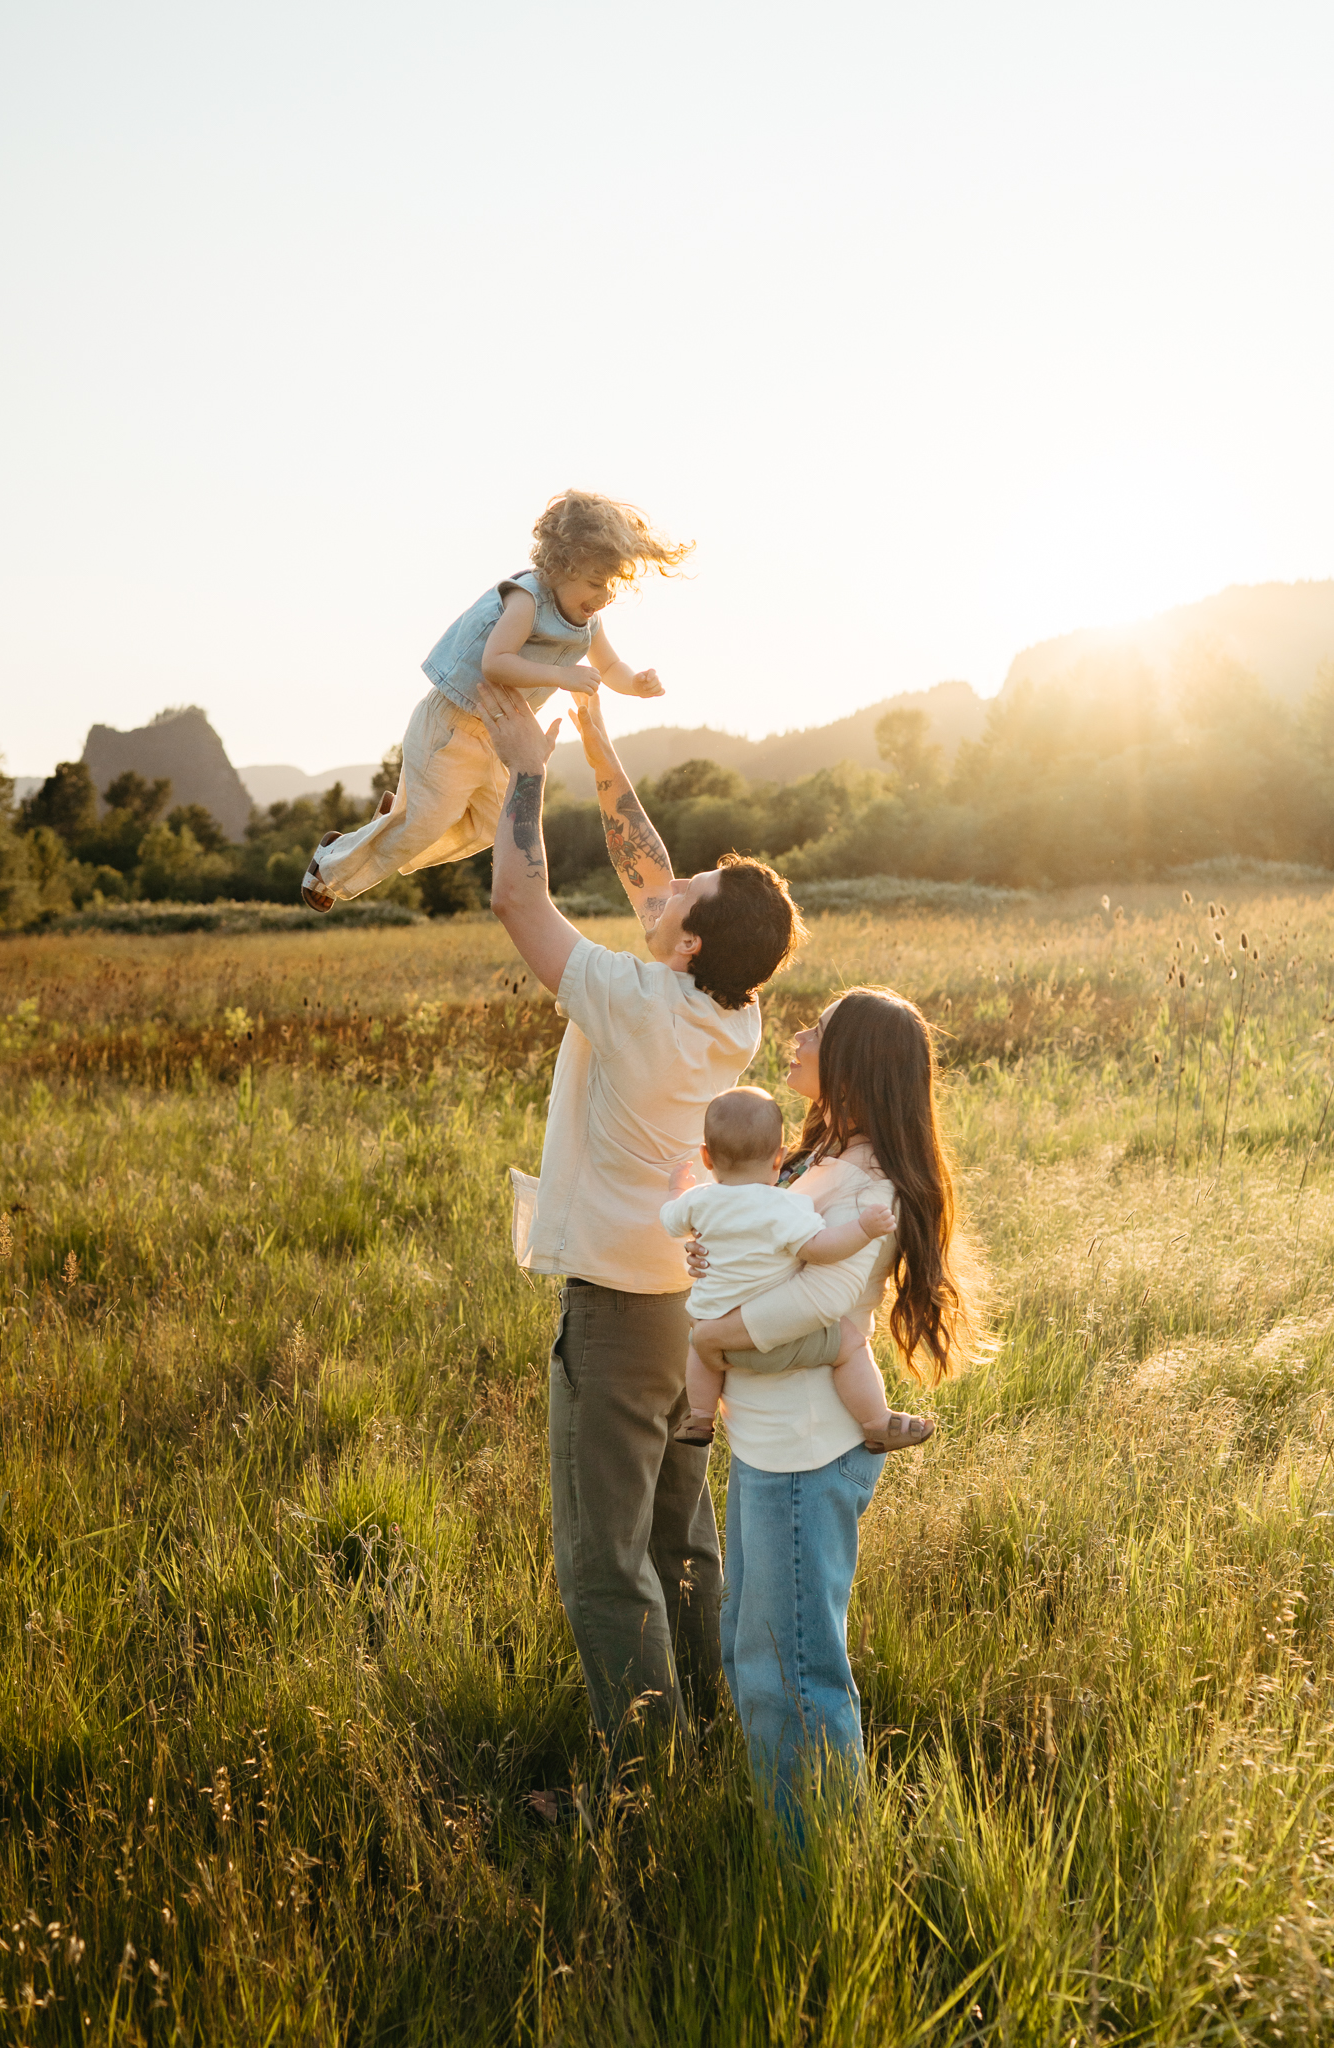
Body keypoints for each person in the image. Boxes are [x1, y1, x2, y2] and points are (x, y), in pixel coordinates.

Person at [478, 678, 807, 1801]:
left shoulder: (631, 998)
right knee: (681, 1535)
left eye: (688, 893)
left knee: (602, 1558)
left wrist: (528, 765)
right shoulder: (730, 1008)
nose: (664, 890)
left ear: (691, 937)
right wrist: (600, 741)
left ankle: (638, 1778)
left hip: (618, 1311)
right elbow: (651, 874)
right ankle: (713, 1726)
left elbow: (517, 898)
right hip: (686, 1304)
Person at [685, 988, 976, 1821]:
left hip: (807, 1452)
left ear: (850, 1062)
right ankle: (794, 1853)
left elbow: (815, 1304)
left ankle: (816, 1877)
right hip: (772, 1444)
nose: (798, 1035)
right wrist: (715, 1252)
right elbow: (761, 1257)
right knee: (756, 1654)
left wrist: (711, 1338)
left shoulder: (869, 1182)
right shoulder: (820, 1161)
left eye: (817, 1029)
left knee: (794, 1676)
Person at [300, 491, 691, 911]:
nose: (604, 595)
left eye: (612, 585)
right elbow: (496, 663)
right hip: (453, 723)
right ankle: (331, 867)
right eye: (596, 582)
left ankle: (392, 824)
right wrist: (561, 676)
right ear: (562, 565)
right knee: (425, 824)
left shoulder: (587, 623)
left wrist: (635, 682)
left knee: (497, 825)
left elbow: (610, 666)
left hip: (498, 736)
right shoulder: (526, 600)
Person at [659, 1086, 936, 1454]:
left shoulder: (699, 1201)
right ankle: (877, 1423)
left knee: (698, 1345)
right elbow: (820, 1250)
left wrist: (678, 1189)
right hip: (772, 1339)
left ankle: (699, 1416)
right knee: (850, 1343)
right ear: (779, 1158)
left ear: (706, 1157)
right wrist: (863, 1229)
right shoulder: (785, 1206)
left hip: (712, 1333)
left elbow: (670, 1219)